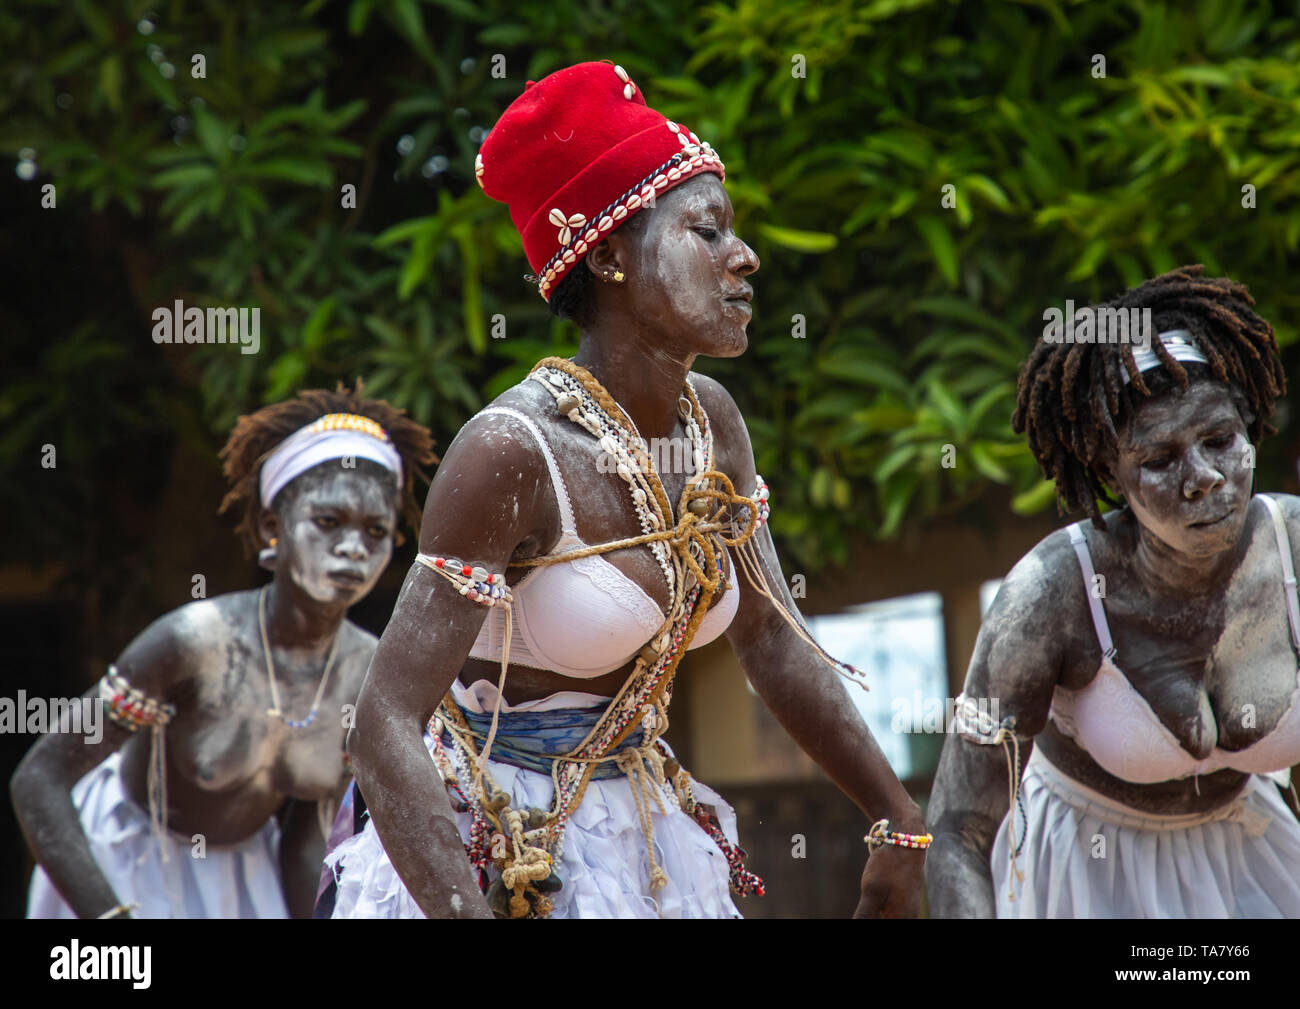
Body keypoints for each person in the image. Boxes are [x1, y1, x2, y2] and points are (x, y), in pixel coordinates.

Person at [319, 60, 927, 920]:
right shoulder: (513, 451)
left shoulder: (710, 423)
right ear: (605, 253)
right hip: (494, 843)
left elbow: (768, 633)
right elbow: (381, 722)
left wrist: (897, 817)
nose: (744, 257)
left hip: (640, 836)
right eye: (707, 231)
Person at [926, 266, 1300, 918]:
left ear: (1248, 424)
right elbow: (960, 830)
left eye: (1219, 440)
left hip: (1254, 865)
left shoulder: (1293, 549)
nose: (1203, 478)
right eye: (1160, 459)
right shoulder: (1051, 594)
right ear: (1109, 470)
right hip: (1083, 879)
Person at [14, 385, 435, 918]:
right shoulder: (196, 640)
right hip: (121, 867)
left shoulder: (366, 673)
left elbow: (305, 842)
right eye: (329, 522)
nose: (353, 547)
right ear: (269, 527)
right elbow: (39, 778)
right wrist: (110, 918)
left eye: (375, 530)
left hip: (242, 883)